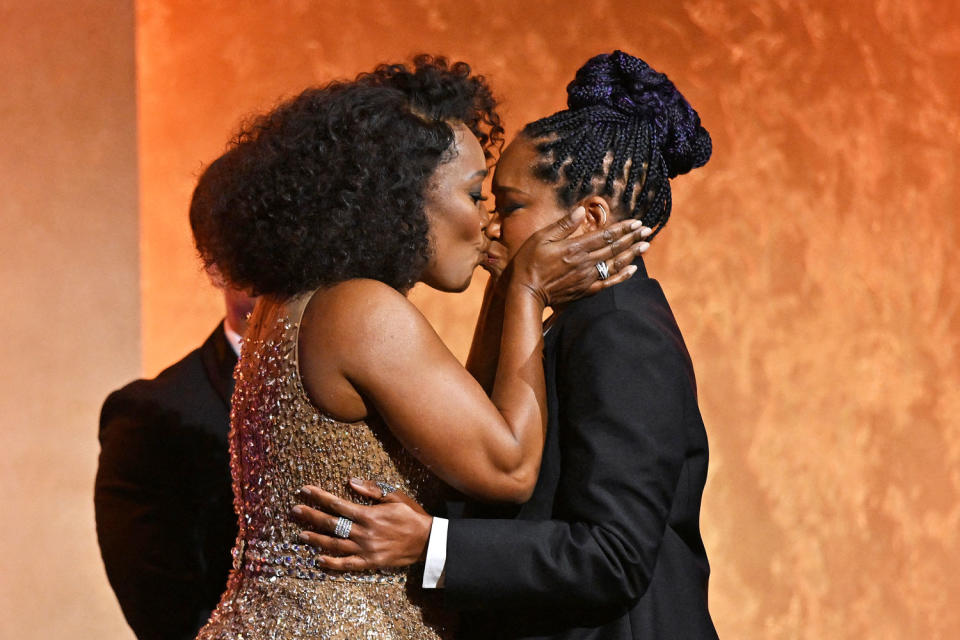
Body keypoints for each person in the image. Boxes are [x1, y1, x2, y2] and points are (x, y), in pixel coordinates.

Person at [191, 56, 648, 640]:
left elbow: (467, 432)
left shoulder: (299, 303)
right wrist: (529, 292)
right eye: (474, 193)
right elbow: (508, 467)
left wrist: (505, 292)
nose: (487, 222)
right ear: (403, 198)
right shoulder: (361, 310)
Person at [294, 50, 718, 639]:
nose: (492, 226)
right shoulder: (579, 320)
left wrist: (431, 544)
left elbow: (613, 558)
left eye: (511, 205)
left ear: (589, 218)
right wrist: (513, 291)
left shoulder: (624, 333)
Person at [94, 151, 257, 640]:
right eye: (258, 239)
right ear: (214, 265)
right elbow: (168, 618)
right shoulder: (153, 416)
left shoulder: (383, 381)